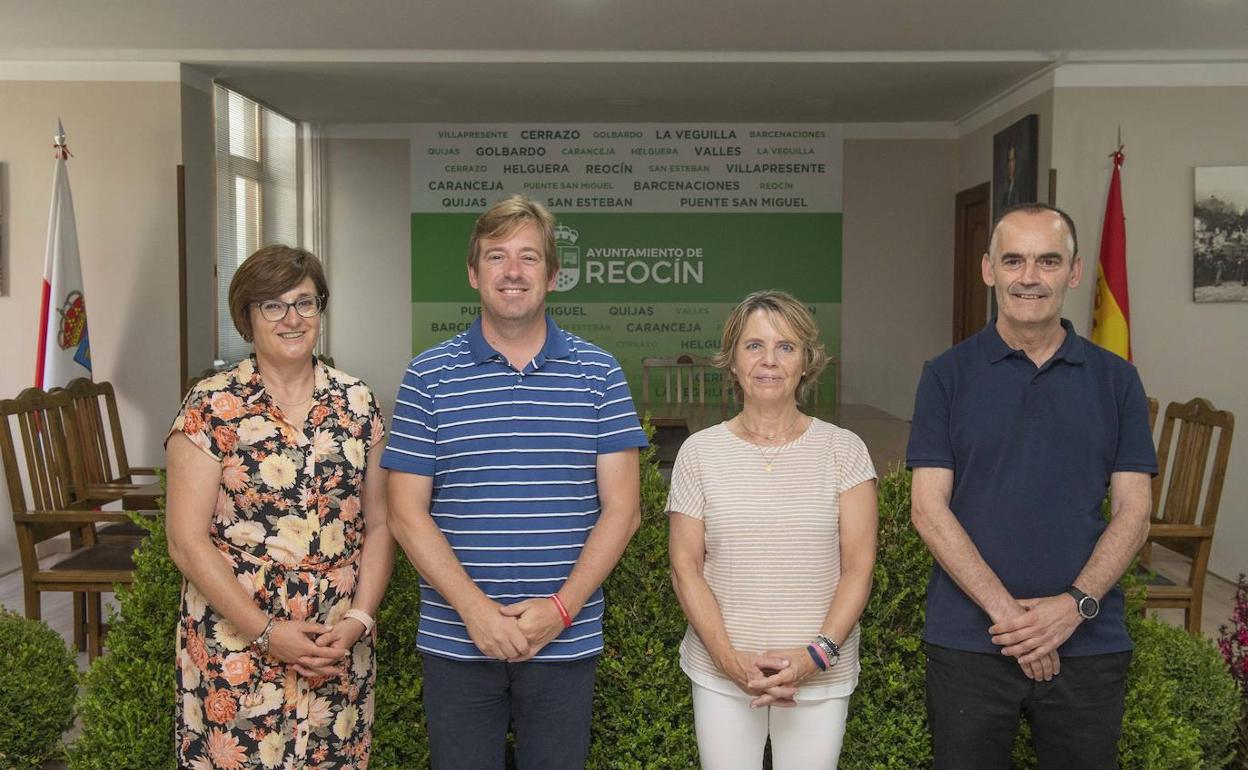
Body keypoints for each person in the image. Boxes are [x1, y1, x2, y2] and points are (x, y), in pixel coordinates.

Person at [382, 195, 648, 769]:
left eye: (529, 257)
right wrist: (475, 612)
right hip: (457, 640)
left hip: (564, 639)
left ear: (553, 275)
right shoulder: (427, 377)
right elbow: (405, 513)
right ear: (474, 273)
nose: (512, 271)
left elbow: (623, 510)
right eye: (496, 256)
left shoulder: (599, 374)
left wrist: (561, 608)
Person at [907, 203, 1157, 769]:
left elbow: (1134, 513)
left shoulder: (1117, 380)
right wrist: (1013, 618)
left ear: (1073, 272)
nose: (1029, 277)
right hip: (971, 639)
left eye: (1048, 261)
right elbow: (927, 509)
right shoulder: (945, 376)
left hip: (1088, 638)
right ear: (988, 269)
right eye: (1013, 259)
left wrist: (1072, 607)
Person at [167, 245, 393, 769]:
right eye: (273, 305)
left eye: (305, 302)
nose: (292, 318)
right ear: (246, 317)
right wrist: (267, 632)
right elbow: (185, 540)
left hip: (334, 645)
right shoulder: (212, 405)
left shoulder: (358, 402)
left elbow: (382, 522)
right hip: (237, 645)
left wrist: (359, 619)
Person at [668, 290, 878, 769]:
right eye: (754, 345)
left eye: (786, 347)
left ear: (806, 362)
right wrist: (728, 660)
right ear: (732, 360)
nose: (769, 360)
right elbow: (685, 568)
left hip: (819, 677)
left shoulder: (844, 451)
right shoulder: (698, 454)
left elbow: (858, 567)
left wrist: (814, 656)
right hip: (722, 676)